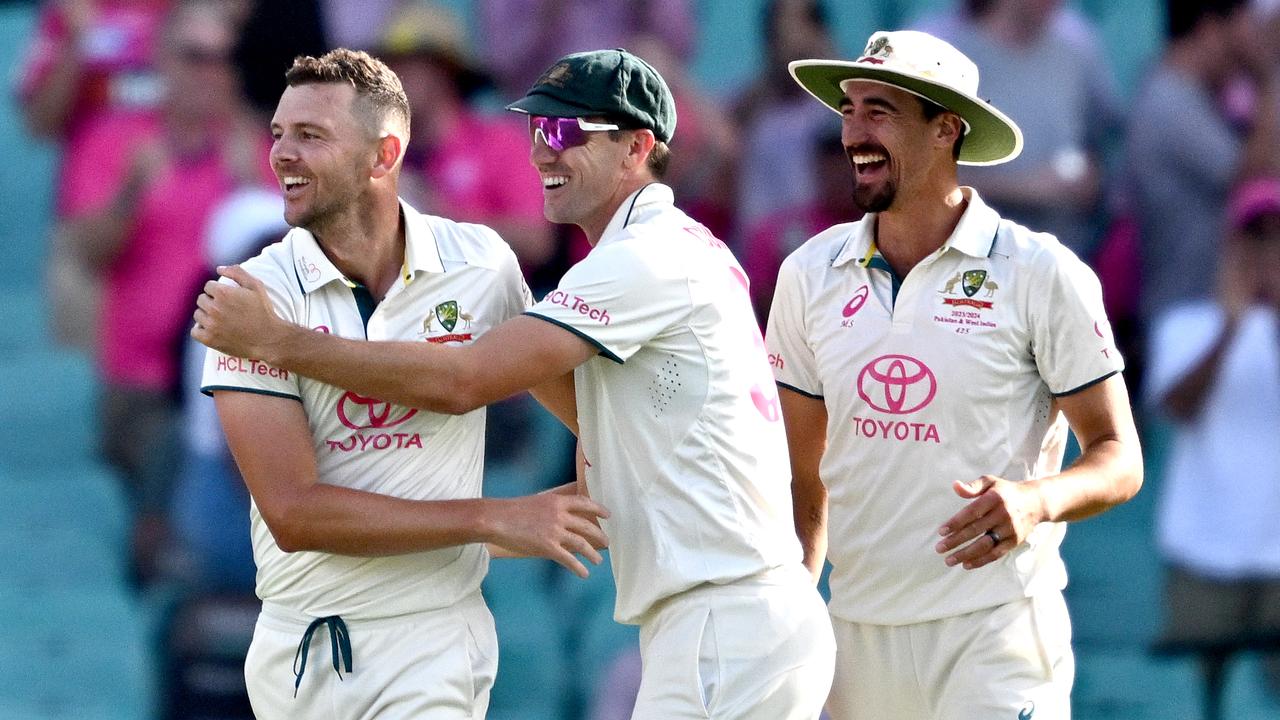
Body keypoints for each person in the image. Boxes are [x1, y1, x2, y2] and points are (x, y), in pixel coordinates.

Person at [193, 48, 835, 719]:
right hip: (725, 619)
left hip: (720, 622)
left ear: (637, 147)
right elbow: (610, 456)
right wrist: (504, 524)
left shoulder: (639, 260)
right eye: (535, 130)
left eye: (565, 131)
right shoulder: (664, 251)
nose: (541, 152)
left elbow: (464, 380)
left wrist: (278, 342)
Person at [195, 48, 610, 719]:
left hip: (435, 638)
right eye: (278, 133)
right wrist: (495, 518)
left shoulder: (481, 264)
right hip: (301, 648)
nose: (282, 155)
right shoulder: (252, 296)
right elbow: (294, 514)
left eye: (310, 135)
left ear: (384, 156)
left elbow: (589, 415)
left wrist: (587, 489)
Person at [766, 30, 1144, 718]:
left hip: (996, 635)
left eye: (879, 110)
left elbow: (1119, 458)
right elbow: (802, 477)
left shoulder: (1040, 271)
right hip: (856, 639)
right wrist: (787, 616)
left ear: (946, 129)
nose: (853, 131)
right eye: (848, 110)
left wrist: (1035, 501)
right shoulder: (807, 274)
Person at [1146, 176, 1280, 720]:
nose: (1266, 255)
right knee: (1197, 703)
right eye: (1256, 239)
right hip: (1202, 549)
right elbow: (1179, 408)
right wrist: (1230, 328)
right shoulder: (1187, 325)